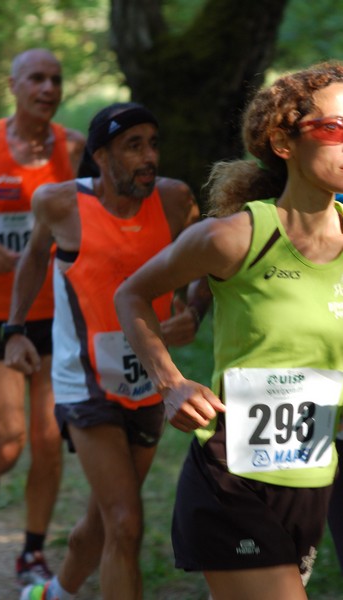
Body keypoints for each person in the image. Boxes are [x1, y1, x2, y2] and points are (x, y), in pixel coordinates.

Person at [114, 62, 343, 600]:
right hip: (233, 479)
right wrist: (170, 383)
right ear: (283, 142)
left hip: (312, 479)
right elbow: (132, 294)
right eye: (335, 128)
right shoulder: (234, 238)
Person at [2, 101, 202, 600]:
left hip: (152, 379)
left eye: (153, 144)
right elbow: (31, 261)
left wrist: (193, 312)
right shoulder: (60, 203)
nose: (148, 157)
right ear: (100, 156)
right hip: (84, 379)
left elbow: (208, 261)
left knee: (106, 519)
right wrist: (15, 329)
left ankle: (54, 593)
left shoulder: (176, 200)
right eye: (133, 146)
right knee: (125, 522)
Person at [0, 48, 86, 585]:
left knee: (49, 439)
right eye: (37, 78)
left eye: (56, 78)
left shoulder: (74, 147)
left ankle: (31, 551)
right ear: (14, 85)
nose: (48, 88)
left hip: (57, 311)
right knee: (8, 440)